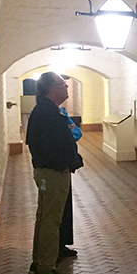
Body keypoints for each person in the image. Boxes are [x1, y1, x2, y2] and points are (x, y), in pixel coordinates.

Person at [25, 72, 79, 274]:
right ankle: (46, 268)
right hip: (52, 173)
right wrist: (65, 164)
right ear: (51, 89)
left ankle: (39, 262)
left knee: (44, 217)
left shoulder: (46, 110)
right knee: (51, 221)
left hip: (49, 171)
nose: (66, 87)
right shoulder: (47, 113)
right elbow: (51, 147)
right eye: (62, 84)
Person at [58, 106, 83, 259]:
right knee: (55, 212)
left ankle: (62, 244)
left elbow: (76, 132)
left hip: (63, 168)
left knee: (63, 208)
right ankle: (54, 250)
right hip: (55, 169)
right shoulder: (48, 114)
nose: (67, 94)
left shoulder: (60, 112)